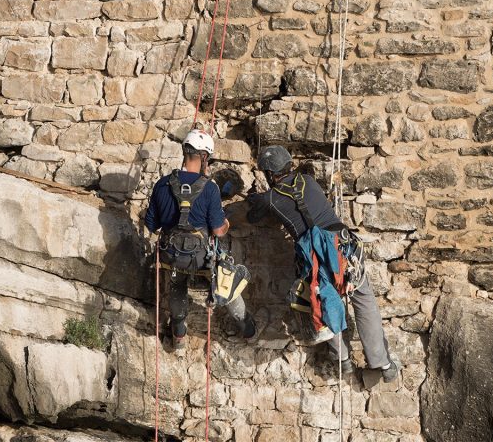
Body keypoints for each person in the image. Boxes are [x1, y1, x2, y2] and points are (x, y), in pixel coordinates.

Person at [247, 145, 400, 382]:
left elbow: (252, 216)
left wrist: (255, 198)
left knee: (324, 300)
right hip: (342, 247)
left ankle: (343, 359)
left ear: (269, 173)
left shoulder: (271, 199)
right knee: (363, 299)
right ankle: (382, 363)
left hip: (315, 258)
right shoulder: (308, 180)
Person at [144, 129, 257, 352]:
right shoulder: (210, 188)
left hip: (172, 256)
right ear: (205, 157)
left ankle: (179, 337)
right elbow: (218, 230)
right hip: (202, 259)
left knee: (177, 283)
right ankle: (248, 329)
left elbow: (151, 224)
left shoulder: (162, 185)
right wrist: (225, 225)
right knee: (227, 282)